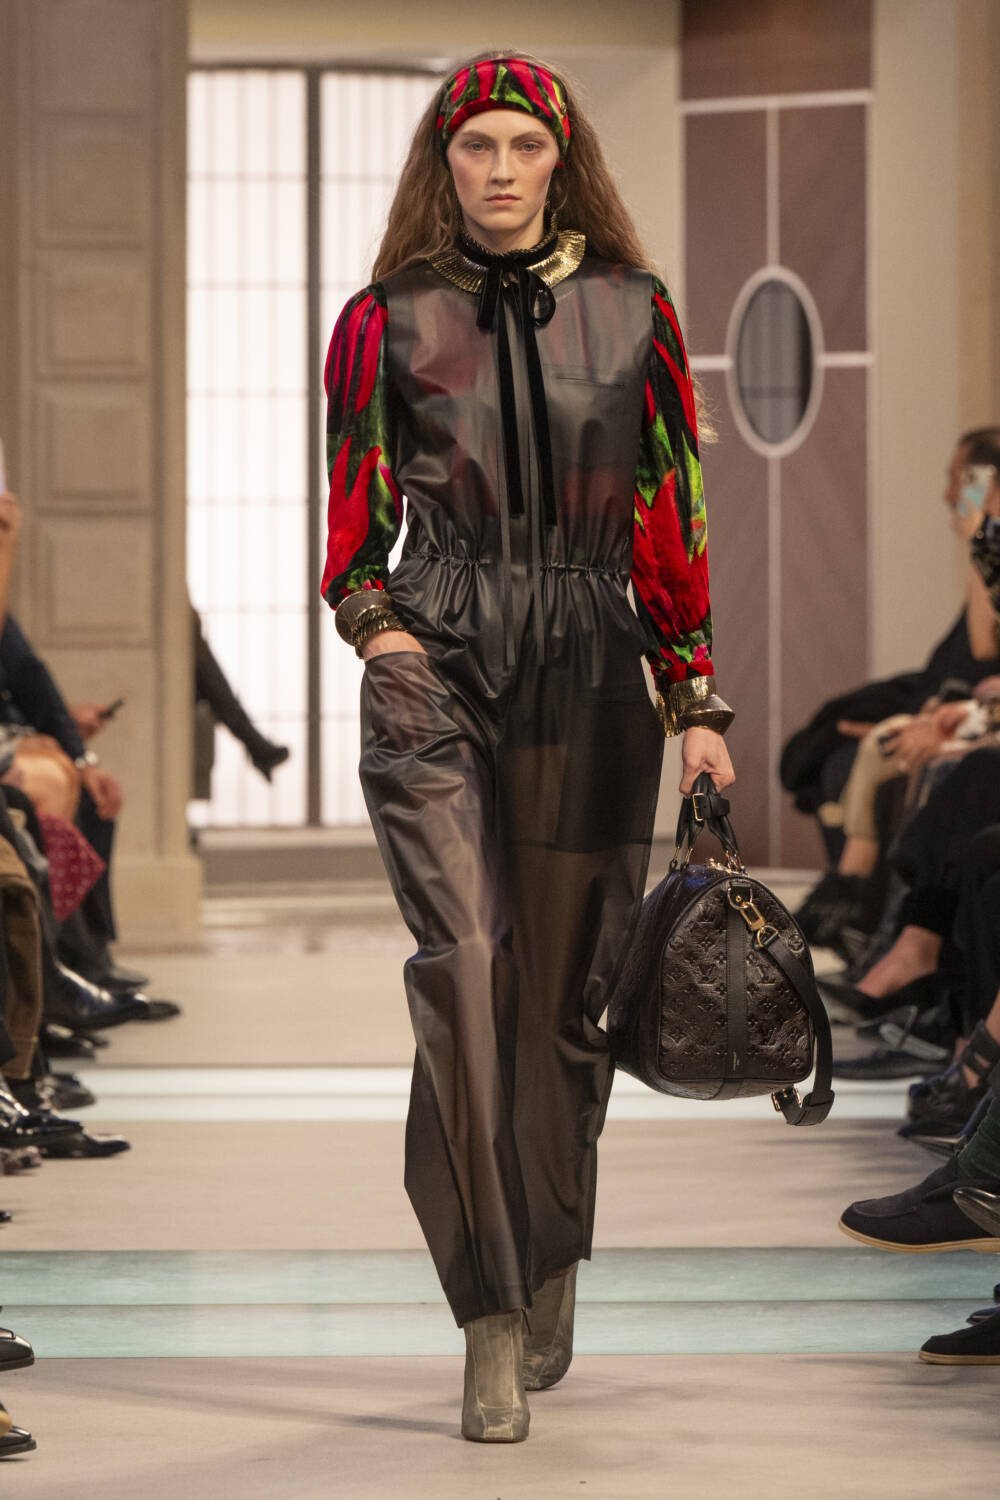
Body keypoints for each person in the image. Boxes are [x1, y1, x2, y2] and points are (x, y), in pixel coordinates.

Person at [322, 52, 734, 1443]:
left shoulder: (636, 313)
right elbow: (349, 532)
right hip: (436, 663)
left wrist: (696, 703)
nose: (499, 170)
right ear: (442, 161)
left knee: (566, 998)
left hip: (589, 672)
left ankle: (551, 1252)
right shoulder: (383, 320)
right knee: (466, 966)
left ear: (564, 159)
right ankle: (490, 1315)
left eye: (524, 146)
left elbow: (670, 515)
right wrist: (381, 634)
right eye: (475, 146)